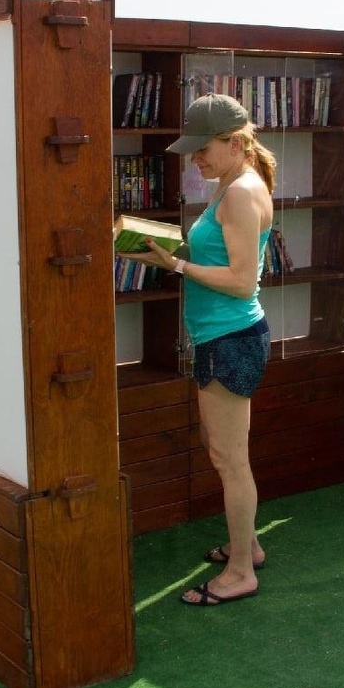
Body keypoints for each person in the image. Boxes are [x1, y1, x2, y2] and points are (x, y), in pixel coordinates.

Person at [124, 94, 275, 607]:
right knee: (224, 451)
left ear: (234, 143)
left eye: (203, 149)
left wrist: (177, 266)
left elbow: (239, 281)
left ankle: (240, 573)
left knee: (230, 460)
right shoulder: (232, 184)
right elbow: (224, 258)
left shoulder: (238, 193)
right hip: (224, 339)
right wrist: (172, 251)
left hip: (229, 339)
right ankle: (246, 545)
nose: (195, 160)